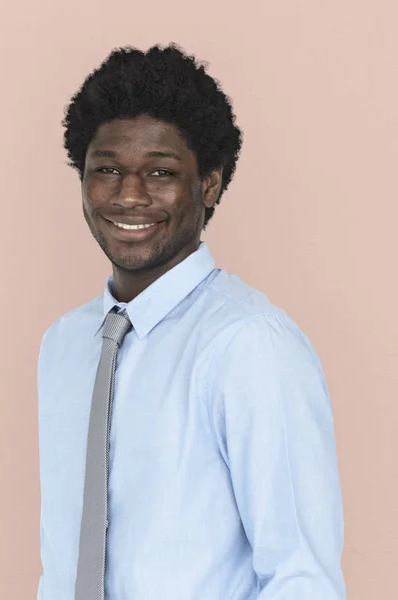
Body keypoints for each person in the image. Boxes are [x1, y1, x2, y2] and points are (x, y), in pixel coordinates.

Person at [36, 42, 346, 600]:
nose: (129, 196)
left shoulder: (248, 344)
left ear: (209, 184)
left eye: (160, 172)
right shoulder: (65, 344)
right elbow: (64, 561)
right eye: (106, 169)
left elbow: (302, 578)